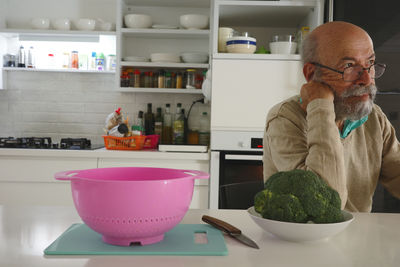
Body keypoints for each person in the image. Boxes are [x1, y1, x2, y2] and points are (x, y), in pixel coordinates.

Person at [262, 21, 400, 212]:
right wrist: (321, 106)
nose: (367, 79)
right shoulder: (285, 119)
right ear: (311, 74)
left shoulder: (374, 118)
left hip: (359, 238)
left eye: (369, 63)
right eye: (349, 66)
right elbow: (325, 207)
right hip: (301, 239)